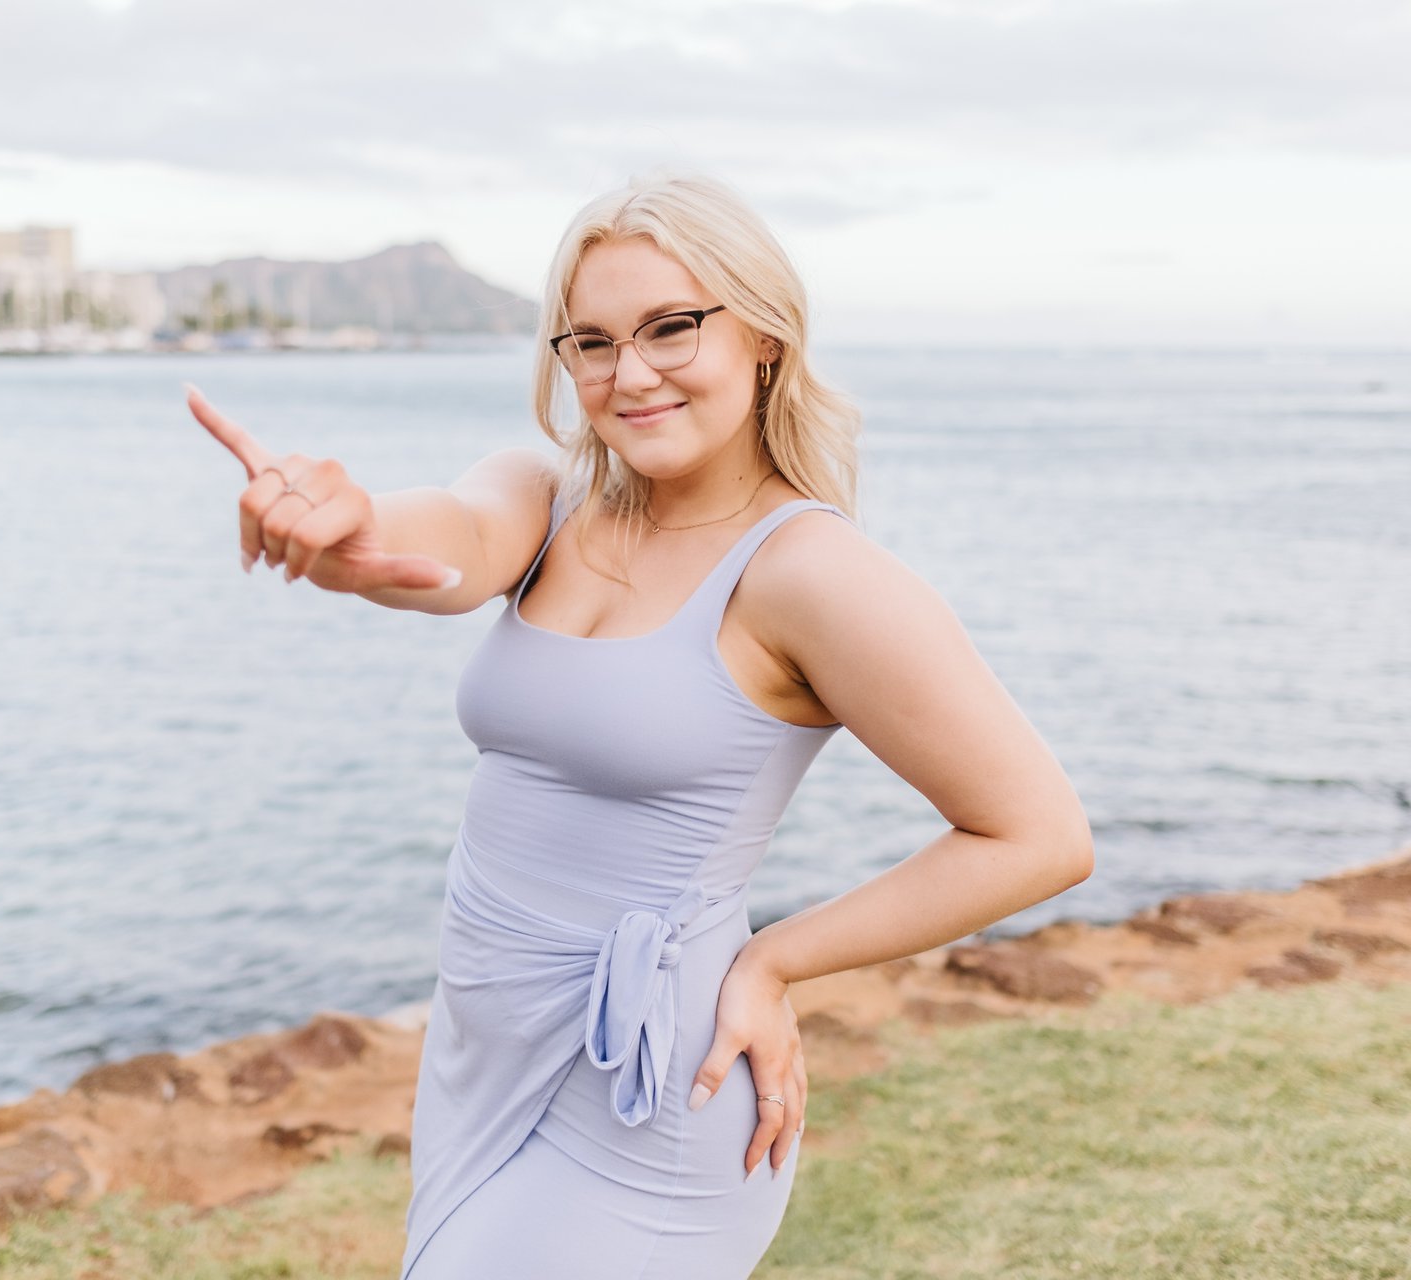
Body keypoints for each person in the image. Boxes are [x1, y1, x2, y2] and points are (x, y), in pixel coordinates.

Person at [185, 171, 1093, 1279]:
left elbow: (1038, 835)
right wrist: (350, 527)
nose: (630, 373)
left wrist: (775, 960)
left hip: (649, 1089)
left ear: (764, 337)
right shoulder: (543, 499)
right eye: (593, 342)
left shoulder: (811, 573)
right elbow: (444, 540)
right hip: (478, 1059)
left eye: (671, 327)